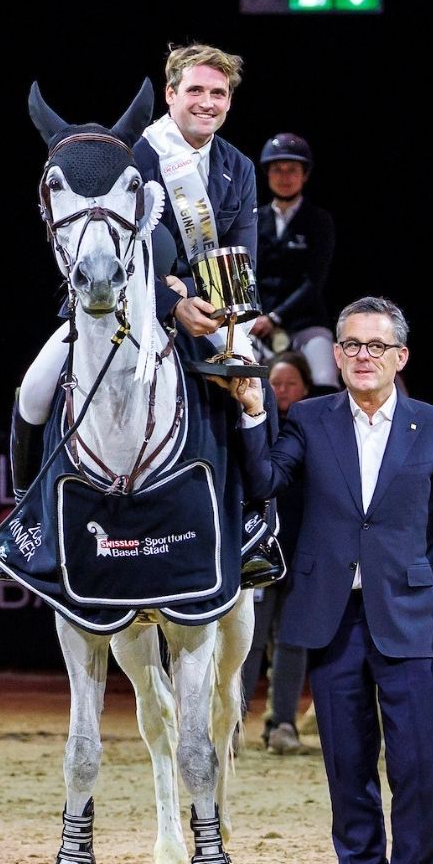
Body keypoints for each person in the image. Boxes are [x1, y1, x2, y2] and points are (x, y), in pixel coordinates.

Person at [229, 297, 433, 864]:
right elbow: (264, 479)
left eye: (376, 346)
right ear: (335, 356)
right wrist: (256, 412)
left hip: (416, 623)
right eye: (351, 345)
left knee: (417, 766)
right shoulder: (308, 420)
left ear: (401, 357)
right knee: (347, 767)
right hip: (331, 619)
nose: (362, 355)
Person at [133, 43, 259, 339]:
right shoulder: (134, 161)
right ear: (170, 94)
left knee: (257, 386)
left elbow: (241, 267)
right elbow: (111, 255)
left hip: (208, 310)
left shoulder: (241, 168)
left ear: (229, 101)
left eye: (218, 93)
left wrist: (188, 290)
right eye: (195, 90)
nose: (207, 102)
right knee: (40, 385)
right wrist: (170, 301)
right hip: (131, 309)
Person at [238, 350, 316, 754]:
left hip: (302, 556)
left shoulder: (319, 429)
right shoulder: (254, 424)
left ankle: (282, 724)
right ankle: (230, 723)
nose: (283, 391)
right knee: (246, 641)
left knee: (292, 642)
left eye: (292, 384)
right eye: (276, 384)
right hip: (260, 551)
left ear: (306, 388)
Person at [252, 133, 337, 366]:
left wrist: (275, 317)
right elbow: (248, 272)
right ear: (267, 173)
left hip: (305, 323)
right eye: (277, 169)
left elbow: (313, 281)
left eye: (292, 170)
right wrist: (257, 316)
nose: (284, 177)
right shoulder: (254, 220)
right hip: (259, 324)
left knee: (324, 374)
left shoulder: (319, 220)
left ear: (305, 174)